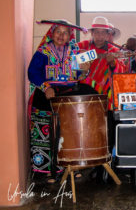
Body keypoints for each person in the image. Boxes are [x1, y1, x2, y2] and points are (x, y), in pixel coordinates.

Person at [28, 19, 91, 183]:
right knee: (48, 132)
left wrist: (84, 70)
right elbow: (33, 72)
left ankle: (71, 167)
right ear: (52, 33)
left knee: (70, 132)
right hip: (46, 95)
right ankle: (49, 171)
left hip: (68, 95)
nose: (61, 36)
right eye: (58, 32)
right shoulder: (43, 51)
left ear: (70, 35)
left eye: (65, 32)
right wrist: (45, 87)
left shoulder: (75, 50)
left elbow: (78, 76)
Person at [76, 16, 126, 181]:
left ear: (107, 34)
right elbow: (71, 63)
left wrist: (112, 63)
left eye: (102, 32)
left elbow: (122, 72)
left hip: (107, 98)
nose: (99, 36)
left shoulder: (113, 50)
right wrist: (85, 58)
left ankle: (105, 164)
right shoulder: (81, 46)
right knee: (88, 131)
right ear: (91, 33)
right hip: (85, 96)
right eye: (96, 32)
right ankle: (88, 164)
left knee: (107, 131)